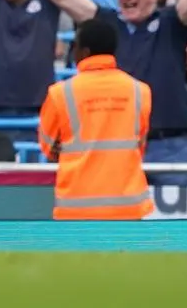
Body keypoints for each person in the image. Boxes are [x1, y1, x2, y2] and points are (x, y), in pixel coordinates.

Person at [39, 17, 153, 220]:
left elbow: (48, 147)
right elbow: (139, 144)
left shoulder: (60, 93)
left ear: (84, 52)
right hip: (128, 205)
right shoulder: (140, 91)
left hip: (75, 207)